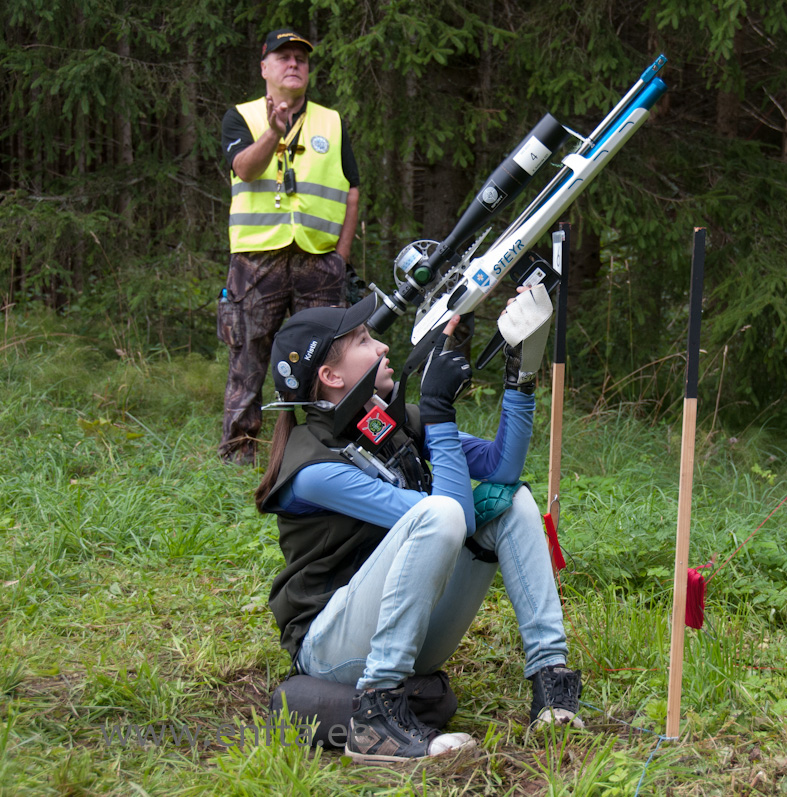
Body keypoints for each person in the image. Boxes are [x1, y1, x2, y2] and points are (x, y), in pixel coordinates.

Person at [253, 295, 582, 762]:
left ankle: (551, 682)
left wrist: (520, 372)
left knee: (514, 501)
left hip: (401, 628)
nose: (383, 346)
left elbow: (501, 467)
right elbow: (449, 517)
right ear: (331, 376)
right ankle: (376, 718)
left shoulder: (382, 423)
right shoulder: (315, 469)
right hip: (331, 646)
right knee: (440, 514)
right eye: (365, 340)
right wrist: (438, 410)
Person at [218, 27, 361, 465]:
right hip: (256, 262)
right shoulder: (241, 117)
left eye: (301, 57)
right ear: (265, 68)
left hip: (319, 262)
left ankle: (330, 448)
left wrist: (342, 255)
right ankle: (240, 453)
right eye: (283, 57)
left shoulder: (331, 121)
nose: (294, 64)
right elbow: (244, 167)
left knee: (330, 357)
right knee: (249, 355)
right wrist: (272, 132)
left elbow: (352, 189)